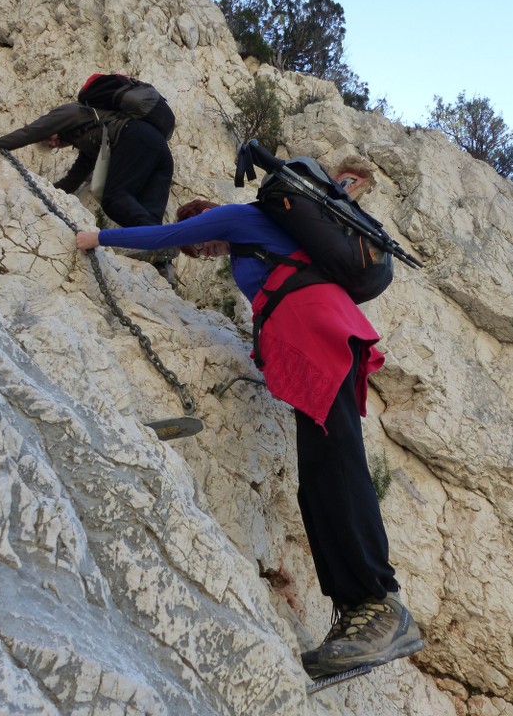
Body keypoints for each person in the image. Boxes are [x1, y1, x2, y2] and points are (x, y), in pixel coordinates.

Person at [75, 163, 425, 678]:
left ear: (208, 224)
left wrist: (94, 236)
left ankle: (380, 605)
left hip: (317, 336)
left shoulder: (237, 219)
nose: (206, 252)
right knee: (323, 473)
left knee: (336, 465)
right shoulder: (266, 236)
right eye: (202, 253)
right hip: (317, 336)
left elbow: (167, 234)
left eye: (205, 244)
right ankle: (356, 612)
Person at [0, 99, 176, 285]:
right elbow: (74, 179)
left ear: (48, 126)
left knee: (114, 198)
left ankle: (158, 242)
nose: (54, 142)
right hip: (160, 152)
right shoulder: (89, 137)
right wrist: (45, 192)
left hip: (135, 136)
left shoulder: (68, 113)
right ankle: (163, 262)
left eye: (49, 137)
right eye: (51, 146)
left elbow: (29, 133)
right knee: (150, 217)